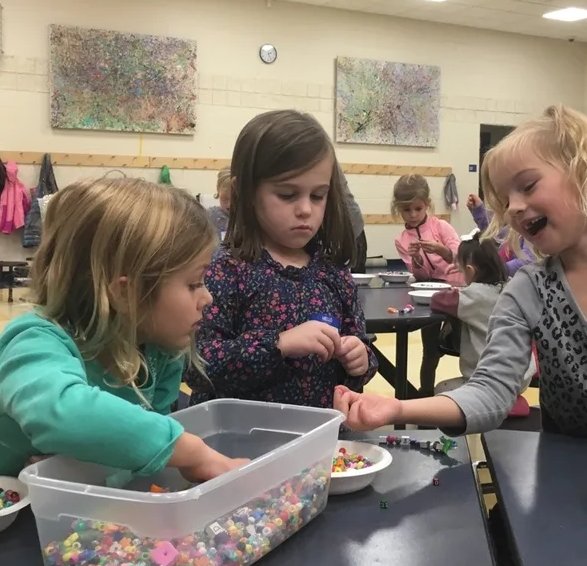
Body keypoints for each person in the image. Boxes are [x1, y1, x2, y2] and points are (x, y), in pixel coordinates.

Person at [335, 105, 587, 457]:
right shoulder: (529, 289)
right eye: (504, 199)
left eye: (528, 186)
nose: (513, 207)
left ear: (586, 172)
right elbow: (492, 391)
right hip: (565, 484)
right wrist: (398, 409)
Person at [0, 177, 247, 486]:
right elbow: (61, 412)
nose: (208, 297)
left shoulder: (159, 352)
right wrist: (190, 450)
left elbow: (137, 453)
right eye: (193, 284)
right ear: (125, 294)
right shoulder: (33, 341)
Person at [185, 110, 378, 408]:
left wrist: (360, 359)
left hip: (323, 442)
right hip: (240, 447)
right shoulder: (223, 271)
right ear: (243, 192)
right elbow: (198, 366)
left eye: (317, 196)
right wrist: (279, 345)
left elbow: (358, 342)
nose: (305, 209)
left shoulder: (333, 273)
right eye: (287, 195)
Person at [391, 173, 463, 394]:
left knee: (462, 346)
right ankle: (426, 394)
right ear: (398, 209)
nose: (413, 215)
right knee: (429, 352)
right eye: (406, 210)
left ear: (427, 206)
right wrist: (417, 259)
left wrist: (442, 250)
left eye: (418, 209)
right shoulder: (402, 240)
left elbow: (461, 257)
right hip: (428, 296)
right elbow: (419, 275)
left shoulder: (440, 227)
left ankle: (451, 332)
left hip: (455, 290)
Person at [429, 234, 509, 380]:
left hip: (488, 377)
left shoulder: (474, 295)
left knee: (442, 389)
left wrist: (457, 290)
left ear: (470, 270)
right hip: (521, 372)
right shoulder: (509, 285)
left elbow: (437, 300)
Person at [467, 192, 534, 275]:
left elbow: (528, 261)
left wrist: (493, 270)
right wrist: (478, 210)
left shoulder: (531, 232)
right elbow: (493, 237)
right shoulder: (512, 230)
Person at [207, 168, 231, 239]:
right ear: (218, 192)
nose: (229, 204)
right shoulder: (209, 216)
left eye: (236, 199)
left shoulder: (249, 218)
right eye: (225, 199)